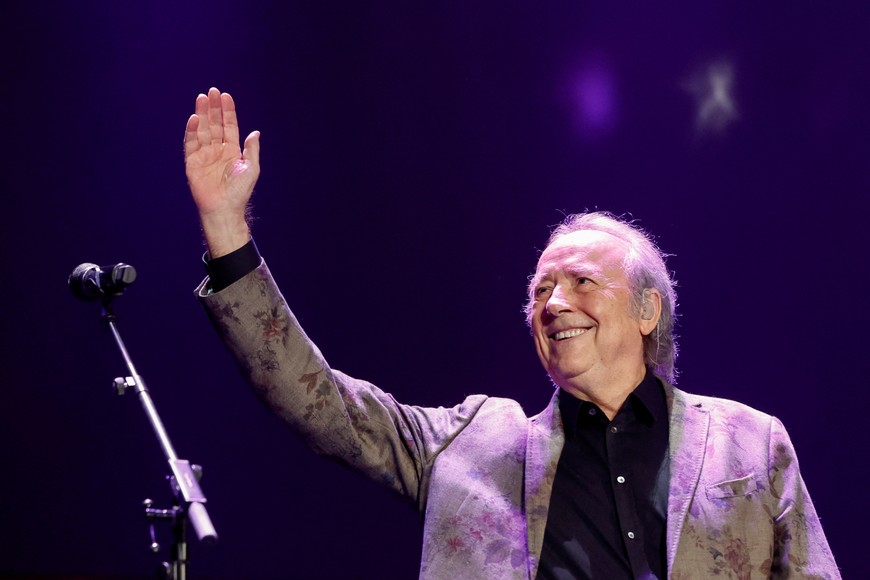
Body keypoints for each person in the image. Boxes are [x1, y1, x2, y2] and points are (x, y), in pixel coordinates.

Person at [184, 87, 840, 579]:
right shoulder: (470, 446)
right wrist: (227, 233)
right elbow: (319, 403)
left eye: (581, 282)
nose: (555, 302)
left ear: (647, 312)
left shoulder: (750, 442)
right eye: (539, 290)